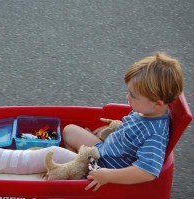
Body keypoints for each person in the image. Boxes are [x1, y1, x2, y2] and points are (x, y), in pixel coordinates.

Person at [62, 52, 183, 191]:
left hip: (105, 168)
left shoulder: (156, 134)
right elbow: (129, 130)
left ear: (157, 104)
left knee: (59, 156)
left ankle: (78, 175)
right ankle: (78, 167)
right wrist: (111, 130)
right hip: (101, 150)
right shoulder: (146, 110)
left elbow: (147, 172)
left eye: (133, 95)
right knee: (69, 130)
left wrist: (108, 176)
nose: (127, 97)